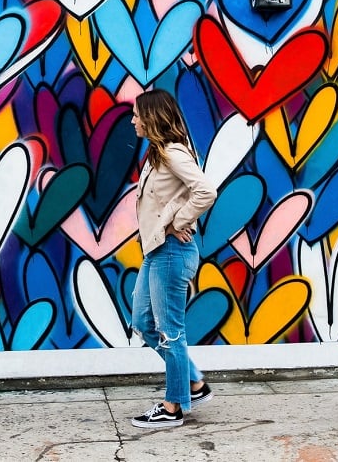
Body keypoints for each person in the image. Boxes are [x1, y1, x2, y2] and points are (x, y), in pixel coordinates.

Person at [128, 89, 218, 429]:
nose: (133, 120)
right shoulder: (158, 154)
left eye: (137, 114)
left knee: (169, 332)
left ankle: (173, 406)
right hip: (157, 251)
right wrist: (170, 219)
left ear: (151, 117)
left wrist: (178, 222)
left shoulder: (172, 152)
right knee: (142, 322)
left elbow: (205, 191)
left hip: (171, 253)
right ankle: (193, 383)